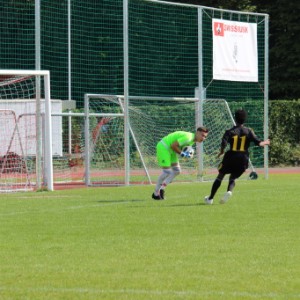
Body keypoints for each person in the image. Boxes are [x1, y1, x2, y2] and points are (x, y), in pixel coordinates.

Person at [204, 109, 270, 205]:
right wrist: (267, 142)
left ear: (235, 119)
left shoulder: (229, 131)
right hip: (243, 158)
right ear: (245, 119)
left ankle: (210, 198)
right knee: (233, 177)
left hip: (231, 156)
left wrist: (221, 152)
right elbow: (259, 143)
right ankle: (229, 191)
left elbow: (223, 144)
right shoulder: (249, 131)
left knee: (220, 176)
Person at [152, 126, 209, 200]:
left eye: (205, 137)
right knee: (167, 172)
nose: (203, 138)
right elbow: (173, 145)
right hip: (164, 147)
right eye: (202, 135)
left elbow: (180, 148)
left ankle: (162, 189)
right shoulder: (188, 137)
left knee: (177, 170)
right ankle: (156, 194)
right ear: (197, 133)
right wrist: (183, 154)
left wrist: (187, 153)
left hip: (171, 151)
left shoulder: (192, 140)